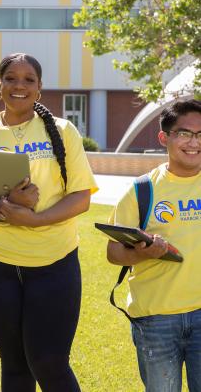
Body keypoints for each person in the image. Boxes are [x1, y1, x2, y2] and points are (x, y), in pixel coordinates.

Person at [0, 53, 98, 392]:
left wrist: (36, 219)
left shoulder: (63, 131)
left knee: (50, 362)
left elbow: (81, 197)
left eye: (29, 79)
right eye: (11, 78)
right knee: (14, 363)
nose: (20, 85)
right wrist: (6, 206)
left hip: (53, 261)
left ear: (40, 89)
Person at [107, 99, 201, 391]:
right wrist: (140, 252)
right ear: (164, 137)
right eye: (184, 133)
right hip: (156, 320)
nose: (193, 143)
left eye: (200, 135)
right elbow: (113, 253)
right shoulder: (142, 190)